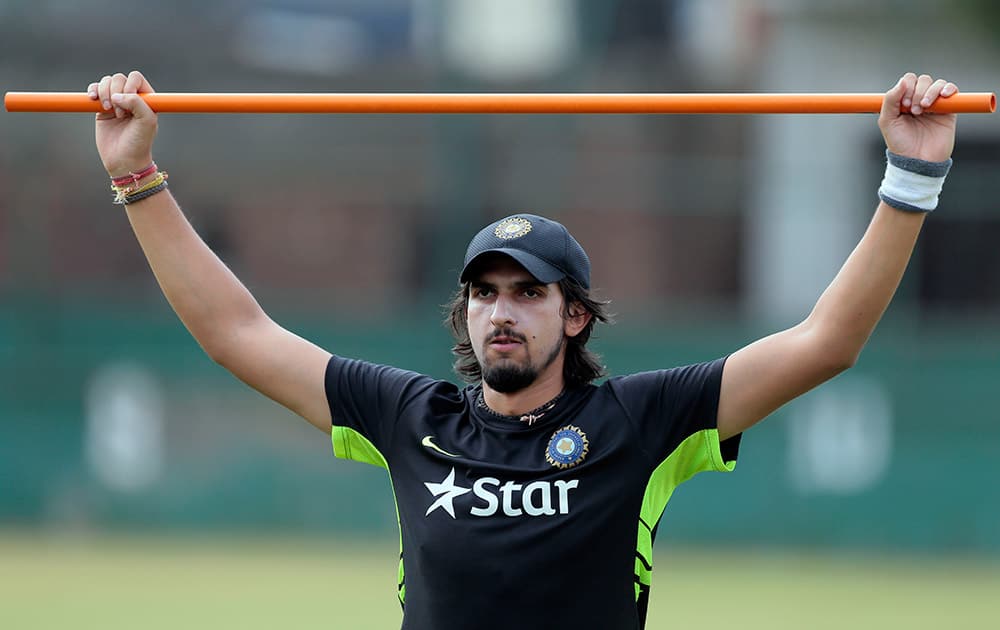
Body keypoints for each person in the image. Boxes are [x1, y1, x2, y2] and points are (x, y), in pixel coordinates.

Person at [87, 71, 958, 630]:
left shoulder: (644, 419)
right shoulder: (406, 415)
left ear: (574, 317)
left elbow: (827, 342)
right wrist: (136, 174)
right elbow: (235, 333)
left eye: (529, 293)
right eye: (484, 293)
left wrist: (910, 178)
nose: (501, 312)